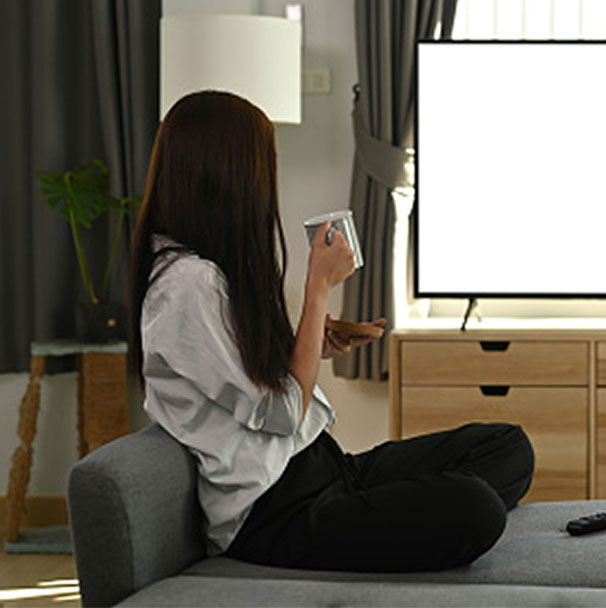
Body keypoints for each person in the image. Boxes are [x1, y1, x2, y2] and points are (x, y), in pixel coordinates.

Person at [128, 90, 534, 572]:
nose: (267, 182)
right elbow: (280, 414)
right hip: (276, 512)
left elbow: (243, 381)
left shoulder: (204, 273)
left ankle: (399, 519)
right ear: (228, 175)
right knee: (475, 507)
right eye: (263, 165)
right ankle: (406, 520)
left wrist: (311, 340)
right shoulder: (188, 285)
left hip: (323, 468)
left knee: (508, 446)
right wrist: (318, 285)